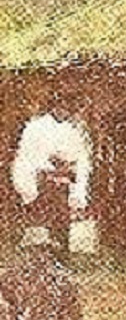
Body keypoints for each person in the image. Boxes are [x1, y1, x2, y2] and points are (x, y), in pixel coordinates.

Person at [11, 93, 93, 250]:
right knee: (46, 202)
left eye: (68, 109)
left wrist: (68, 168)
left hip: (65, 176)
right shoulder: (36, 127)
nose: (64, 112)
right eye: (60, 107)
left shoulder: (73, 128)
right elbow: (29, 153)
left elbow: (80, 155)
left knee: (63, 206)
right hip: (40, 175)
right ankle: (41, 242)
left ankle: (61, 242)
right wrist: (50, 166)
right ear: (53, 108)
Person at [0, 226, 83, 320]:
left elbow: (73, 316)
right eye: (33, 250)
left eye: (41, 249)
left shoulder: (61, 278)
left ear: (48, 251)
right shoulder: (17, 275)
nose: (37, 254)